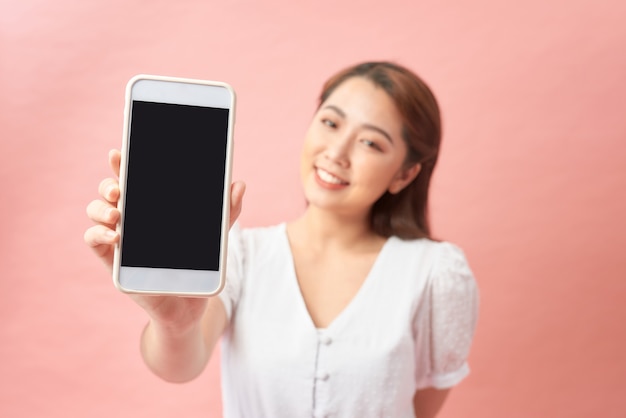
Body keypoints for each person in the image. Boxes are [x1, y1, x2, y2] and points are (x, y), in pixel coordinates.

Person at [85, 61, 479, 418]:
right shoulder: (240, 253)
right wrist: (172, 322)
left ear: (405, 174)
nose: (337, 153)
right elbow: (179, 367)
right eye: (330, 123)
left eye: (371, 143)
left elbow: (422, 410)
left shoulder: (435, 273)